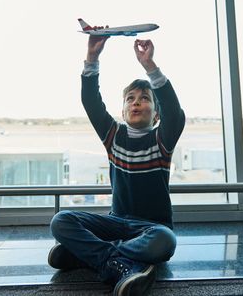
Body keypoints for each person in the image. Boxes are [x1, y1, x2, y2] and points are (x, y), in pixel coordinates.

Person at [49, 29, 185, 296]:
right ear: (123, 111)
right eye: (130, 99)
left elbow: (175, 113)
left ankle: (88, 255)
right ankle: (118, 262)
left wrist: (150, 66)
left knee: (165, 242)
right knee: (60, 221)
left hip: (151, 228)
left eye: (145, 99)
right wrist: (91, 57)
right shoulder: (114, 136)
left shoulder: (162, 139)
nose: (137, 103)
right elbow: (91, 101)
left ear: (156, 115)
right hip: (116, 223)